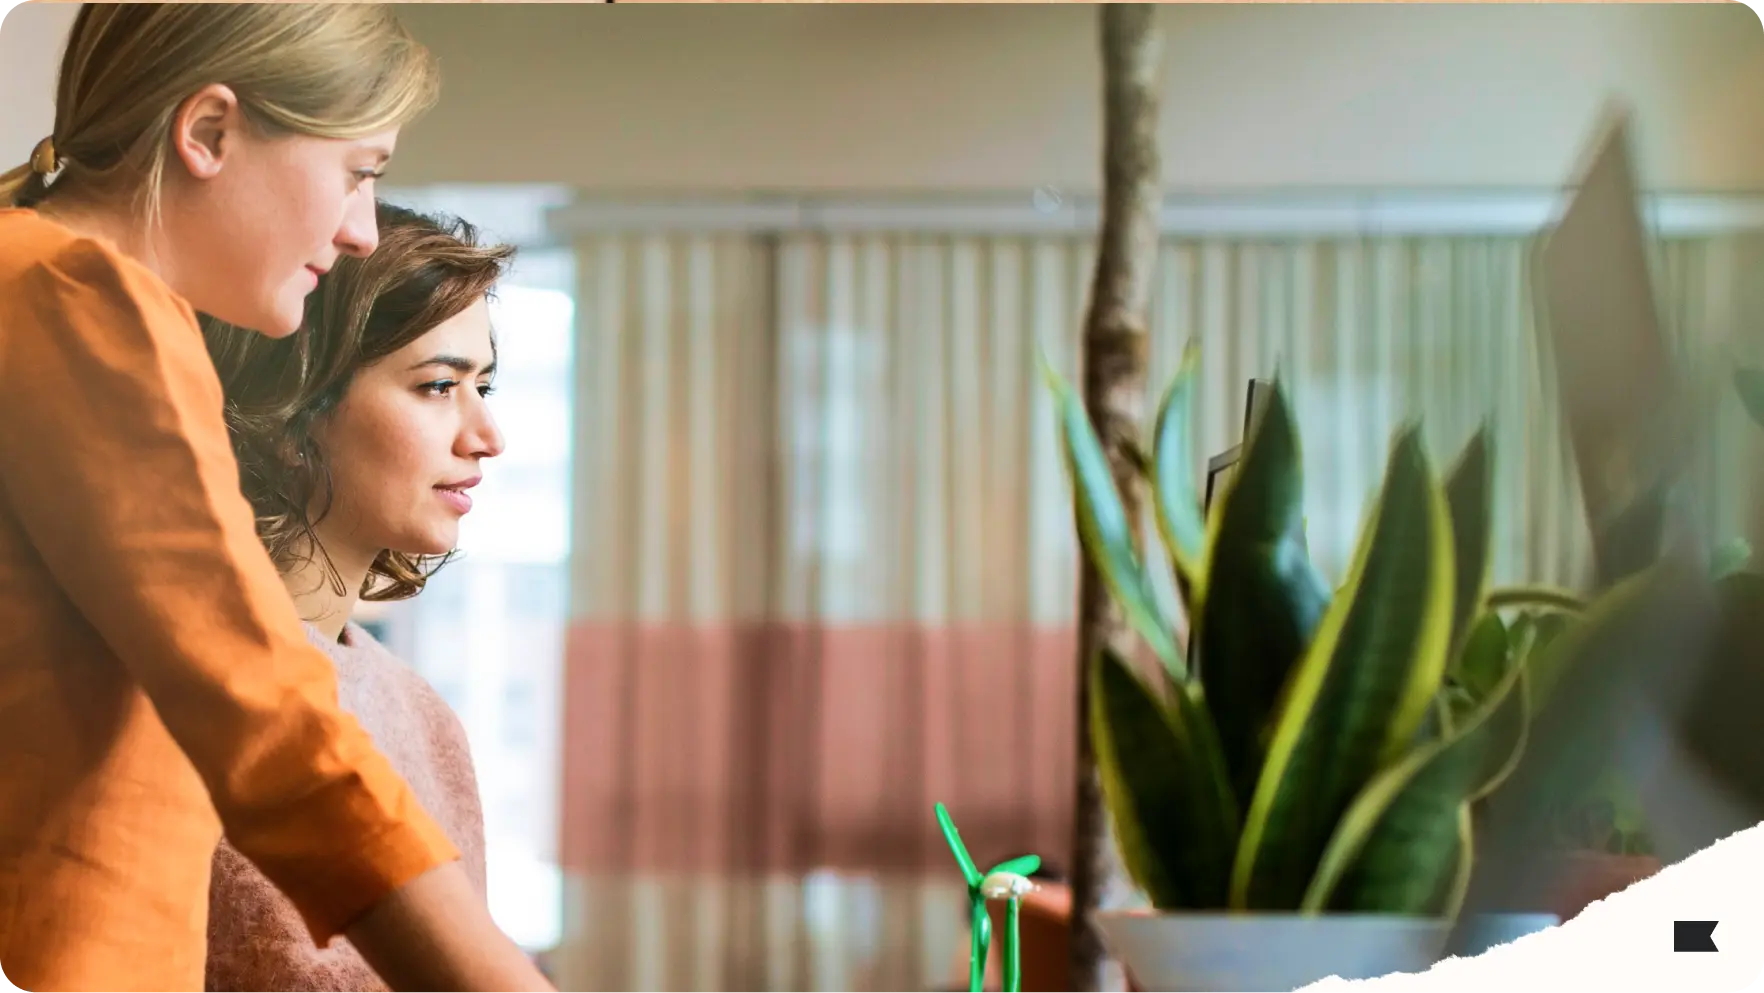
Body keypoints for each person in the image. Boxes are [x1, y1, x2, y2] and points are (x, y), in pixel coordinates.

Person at [0, 6, 551, 992]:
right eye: (359, 173)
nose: (358, 231)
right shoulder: (72, 297)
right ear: (208, 133)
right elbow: (268, 722)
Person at [200, 202, 510, 991]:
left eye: (485, 384)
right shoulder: (187, 682)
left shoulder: (425, 719)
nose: (487, 434)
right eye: (439, 385)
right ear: (289, 413)